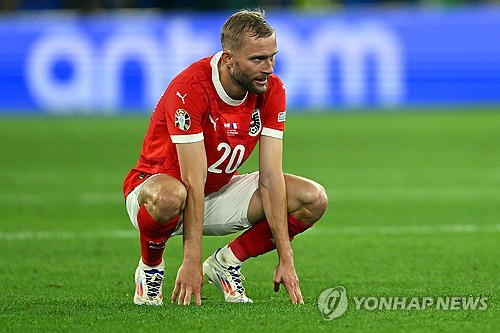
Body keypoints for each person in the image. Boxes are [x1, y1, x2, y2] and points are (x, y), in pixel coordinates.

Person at [122, 8, 328, 306]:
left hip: (217, 191)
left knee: (312, 199)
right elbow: (193, 179)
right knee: (170, 195)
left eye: (272, 56)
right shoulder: (189, 89)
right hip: (156, 193)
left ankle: (226, 262)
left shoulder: (271, 89)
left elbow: (270, 178)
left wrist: (287, 258)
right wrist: (190, 261)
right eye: (258, 59)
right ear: (229, 59)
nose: (269, 67)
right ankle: (150, 267)